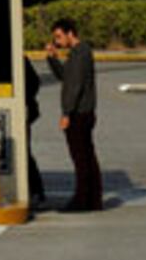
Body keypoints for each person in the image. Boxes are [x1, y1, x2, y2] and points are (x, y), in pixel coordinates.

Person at [45, 17, 103, 212]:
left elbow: (74, 87)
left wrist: (66, 113)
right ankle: (93, 199)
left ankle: (82, 200)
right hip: (83, 112)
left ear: (71, 34)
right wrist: (53, 58)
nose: (58, 42)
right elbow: (65, 77)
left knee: (80, 158)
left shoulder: (79, 54)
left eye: (59, 37)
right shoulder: (79, 53)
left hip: (78, 114)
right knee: (87, 156)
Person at [24, 56, 46, 209]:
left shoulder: (19, 59)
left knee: (24, 152)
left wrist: (22, 99)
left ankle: (36, 191)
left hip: (23, 112)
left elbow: (34, 83)